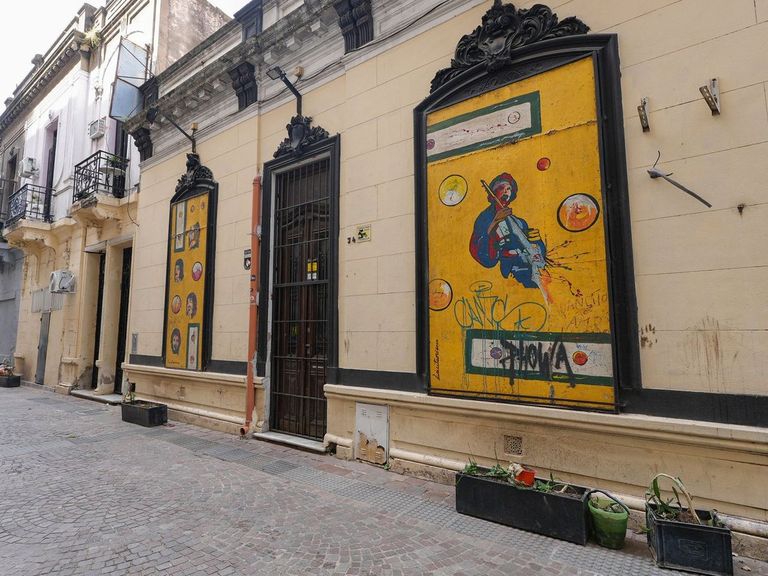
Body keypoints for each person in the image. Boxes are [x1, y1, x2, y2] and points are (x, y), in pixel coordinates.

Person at [469, 172, 548, 294]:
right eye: (501, 188)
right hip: (511, 276)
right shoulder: (485, 219)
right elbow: (481, 252)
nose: (506, 191)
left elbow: (536, 250)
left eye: (509, 188)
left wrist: (537, 240)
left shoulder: (519, 222)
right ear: (493, 193)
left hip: (533, 272)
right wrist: (495, 222)